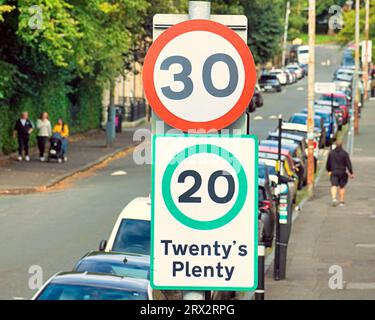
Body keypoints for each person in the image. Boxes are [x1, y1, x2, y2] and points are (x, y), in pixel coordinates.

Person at [326, 141, 354, 207]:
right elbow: (348, 164)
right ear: (342, 145)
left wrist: (329, 170)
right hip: (342, 172)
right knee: (342, 187)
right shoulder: (345, 154)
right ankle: (341, 201)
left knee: (334, 185)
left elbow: (328, 164)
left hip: (334, 171)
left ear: (335, 145)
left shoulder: (331, 153)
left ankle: (334, 198)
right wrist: (351, 173)